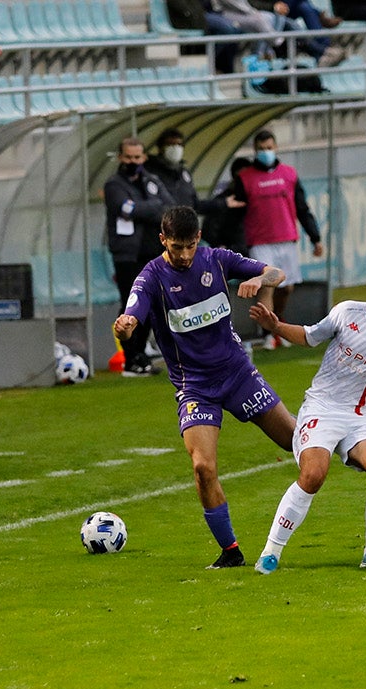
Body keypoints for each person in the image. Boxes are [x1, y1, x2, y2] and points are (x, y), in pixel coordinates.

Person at [112, 206, 298, 569]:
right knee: (202, 468)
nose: (183, 255)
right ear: (163, 240)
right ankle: (231, 551)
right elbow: (133, 310)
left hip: (238, 373)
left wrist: (260, 280)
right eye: (176, 247)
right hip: (195, 387)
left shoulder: (217, 259)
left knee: (296, 441)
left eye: (189, 246)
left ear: (198, 239)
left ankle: (355, 450)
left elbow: (277, 273)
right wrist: (126, 325)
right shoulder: (151, 278)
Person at [249, 258, 366, 573]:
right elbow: (309, 336)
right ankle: (271, 551)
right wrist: (275, 327)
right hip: (321, 407)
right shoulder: (348, 312)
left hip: (360, 416)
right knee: (314, 474)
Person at [233, 128, 324, 349]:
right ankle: (267, 334)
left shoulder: (289, 174)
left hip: (287, 239)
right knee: (267, 287)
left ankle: (276, 323)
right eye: (261, 149)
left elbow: (302, 208)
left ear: (276, 148)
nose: (266, 152)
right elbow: (235, 213)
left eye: (269, 148)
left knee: (287, 287)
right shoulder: (244, 179)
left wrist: (315, 238)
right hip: (260, 242)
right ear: (255, 151)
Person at [104, 137, 175, 377]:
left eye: (137, 157)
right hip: (127, 254)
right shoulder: (114, 184)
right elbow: (124, 209)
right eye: (129, 157)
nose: (133, 162)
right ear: (121, 158)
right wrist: (152, 208)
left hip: (152, 253)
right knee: (130, 303)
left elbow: (168, 208)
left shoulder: (151, 181)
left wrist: (145, 208)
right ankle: (130, 357)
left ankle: (140, 354)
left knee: (152, 303)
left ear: (144, 158)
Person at [200, 157, 251, 256]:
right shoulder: (223, 201)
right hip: (233, 255)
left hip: (256, 249)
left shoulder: (257, 198)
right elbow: (209, 228)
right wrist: (221, 247)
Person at [144, 128, 199, 212]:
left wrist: (223, 203)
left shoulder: (184, 173)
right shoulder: (149, 171)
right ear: (160, 148)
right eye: (170, 144)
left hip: (184, 223)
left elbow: (195, 203)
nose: (175, 148)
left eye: (179, 144)